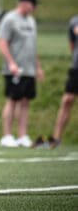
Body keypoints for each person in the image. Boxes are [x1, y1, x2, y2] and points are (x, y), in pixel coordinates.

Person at [0, 0, 44, 148]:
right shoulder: (10, 19)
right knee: (12, 100)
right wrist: (11, 63)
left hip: (29, 68)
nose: (34, 7)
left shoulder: (31, 20)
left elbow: (33, 46)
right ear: (24, 3)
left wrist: (38, 67)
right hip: (15, 68)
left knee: (25, 102)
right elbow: (2, 42)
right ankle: (7, 135)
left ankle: (22, 135)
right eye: (33, 4)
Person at [35, 15, 78, 148]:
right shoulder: (74, 20)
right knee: (67, 100)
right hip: (77, 67)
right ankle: (57, 138)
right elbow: (73, 43)